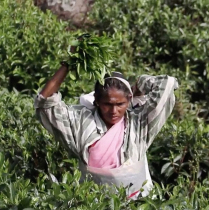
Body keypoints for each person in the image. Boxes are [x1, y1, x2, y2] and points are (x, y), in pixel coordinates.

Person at [34, 59, 179, 199]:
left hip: (136, 202)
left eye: (120, 104)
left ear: (129, 100)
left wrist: (139, 85)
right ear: (96, 100)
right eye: (107, 104)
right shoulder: (82, 123)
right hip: (92, 202)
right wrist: (67, 64)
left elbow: (167, 84)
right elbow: (45, 102)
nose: (114, 111)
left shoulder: (138, 124)